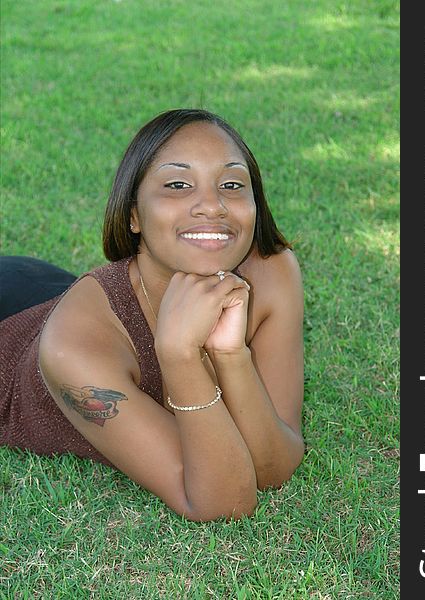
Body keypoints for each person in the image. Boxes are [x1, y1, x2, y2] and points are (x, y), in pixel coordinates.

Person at [0, 108, 305, 521]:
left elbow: (275, 468)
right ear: (133, 215)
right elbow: (225, 501)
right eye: (178, 184)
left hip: (43, 288)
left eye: (231, 184)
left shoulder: (270, 271)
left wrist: (231, 355)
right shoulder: (74, 345)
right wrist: (179, 352)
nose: (211, 206)